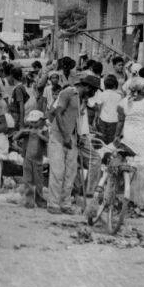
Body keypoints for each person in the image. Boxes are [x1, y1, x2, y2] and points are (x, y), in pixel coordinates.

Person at [45, 72, 80, 215]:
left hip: (73, 137)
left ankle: (65, 203)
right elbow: (55, 113)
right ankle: (53, 203)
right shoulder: (67, 93)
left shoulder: (83, 99)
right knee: (57, 171)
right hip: (59, 136)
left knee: (70, 173)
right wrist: (65, 136)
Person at [15, 109, 48, 209]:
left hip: (38, 159)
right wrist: (22, 131)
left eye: (35, 122)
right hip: (27, 158)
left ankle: (40, 200)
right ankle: (29, 201)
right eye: (31, 122)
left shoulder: (44, 130)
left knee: (39, 181)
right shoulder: (27, 131)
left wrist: (39, 134)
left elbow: (47, 140)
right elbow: (15, 137)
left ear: (41, 121)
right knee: (27, 180)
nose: (33, 124)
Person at [89, 75, 122, 145]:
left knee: (101, 137)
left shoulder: (102, 94)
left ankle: (100, 149)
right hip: (114, 120)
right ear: (114, 86)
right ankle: (108, 149)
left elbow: (98, 108)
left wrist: (95, 119)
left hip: (103, 119)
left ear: (105, 85)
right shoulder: (119, 96)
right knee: (110, 139)